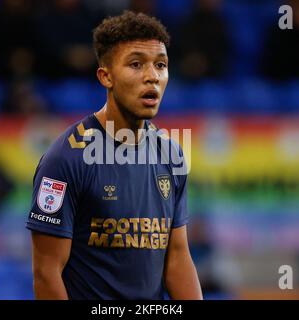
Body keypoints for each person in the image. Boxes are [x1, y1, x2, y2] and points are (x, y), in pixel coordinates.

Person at [26, 10, 203, 300]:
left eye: (161, 65)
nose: (152, 77)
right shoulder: (66, 158)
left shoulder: (171, 155)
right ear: (105, 76)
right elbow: (46, 274)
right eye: (136, 64)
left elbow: (178, 258)